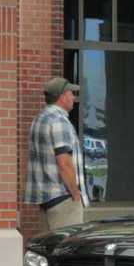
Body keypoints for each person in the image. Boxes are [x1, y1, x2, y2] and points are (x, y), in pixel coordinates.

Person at [24, 77, 90, 231]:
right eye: (71, 93)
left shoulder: (39, 119)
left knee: (50, 248)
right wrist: (75, 193)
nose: (74, 97)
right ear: (62, 96)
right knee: (68, 249)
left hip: (47, 199)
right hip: (63, 197)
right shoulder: (59, 121)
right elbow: (64, 163)